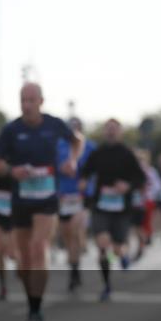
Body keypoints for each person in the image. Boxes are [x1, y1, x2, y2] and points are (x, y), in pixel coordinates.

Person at [0, 82, 84, 321]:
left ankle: (35, 310)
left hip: (47, 198)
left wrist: (71, 160)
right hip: (21, 199)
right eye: (23, 99)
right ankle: (33, 302)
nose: (27, 104)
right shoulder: (11, 130)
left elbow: (77, 141)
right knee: (23, 264)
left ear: (41, 101)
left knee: (38, 247)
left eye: (31, 99)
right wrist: (11, 171)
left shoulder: (54, 125)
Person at [79, 119, 145, 301]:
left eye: (114, 129)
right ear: (104, 132)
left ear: (120, 132)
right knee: (102, 244)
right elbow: (86, 171)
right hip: (101, 206)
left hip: (122, 208)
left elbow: (140, 178)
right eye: (108, 129)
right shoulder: (98, 153)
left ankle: (121, 255)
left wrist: (127, 186)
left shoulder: (127, 154)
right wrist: (83, 180)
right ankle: (106, 285)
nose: (111, 132)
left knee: (116, 249)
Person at [56, 117, 95, 291]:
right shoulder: (58, 146)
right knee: (67, 235)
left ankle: (75, 271)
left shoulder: (90, 147)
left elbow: (97, 170)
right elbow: (51, 166)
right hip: (64, 196)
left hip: (81, 196)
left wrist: (87, 182)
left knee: (75, 229)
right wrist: (60, 168)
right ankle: (74, 267)